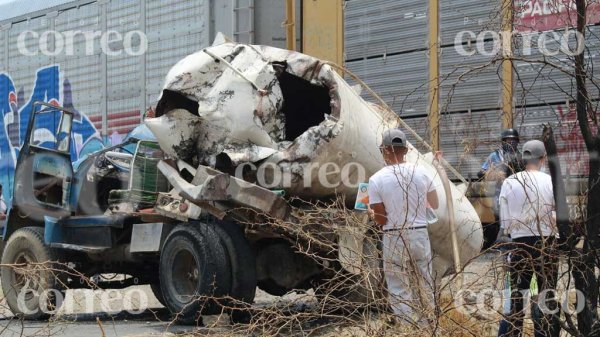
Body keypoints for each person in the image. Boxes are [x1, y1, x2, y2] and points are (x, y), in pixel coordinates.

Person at [368, 128, 439, 326]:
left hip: (393, 236)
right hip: (419, 234)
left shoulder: (376, 179)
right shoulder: (423, 173)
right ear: (406, 150)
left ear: (384, 150)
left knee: (398, 285)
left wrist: (372, 214)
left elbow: (381, 220)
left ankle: (407, 328)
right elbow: (434, 203)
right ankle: (428, 327)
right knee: (425, 281)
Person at [498, 140, 560, 337]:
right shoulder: (551, 181)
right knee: (545, 297)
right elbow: (560, 217)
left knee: (517, 298)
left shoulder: (509, 182)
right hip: (546, 244)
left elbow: (505, 223)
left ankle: (512, 334)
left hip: (519, 245)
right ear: (543, 159)